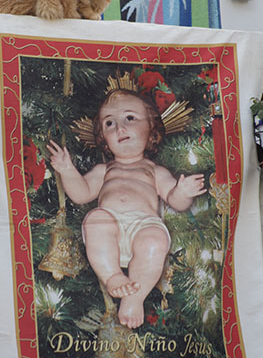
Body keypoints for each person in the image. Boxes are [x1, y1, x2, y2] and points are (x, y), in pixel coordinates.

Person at [47, 89, 206, 329]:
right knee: (96, 219)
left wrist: (182, 192)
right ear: (104, 138)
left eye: (130, 118)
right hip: (109, 227)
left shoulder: (154, 171)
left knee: (154, 240)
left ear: (151, 130)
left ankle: (134, 298)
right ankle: (112, 275)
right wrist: (67, 170)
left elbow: (175, 201)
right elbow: (81, 195)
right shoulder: (105, 171)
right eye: (109, 123)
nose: (119, 128)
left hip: (144, 225)